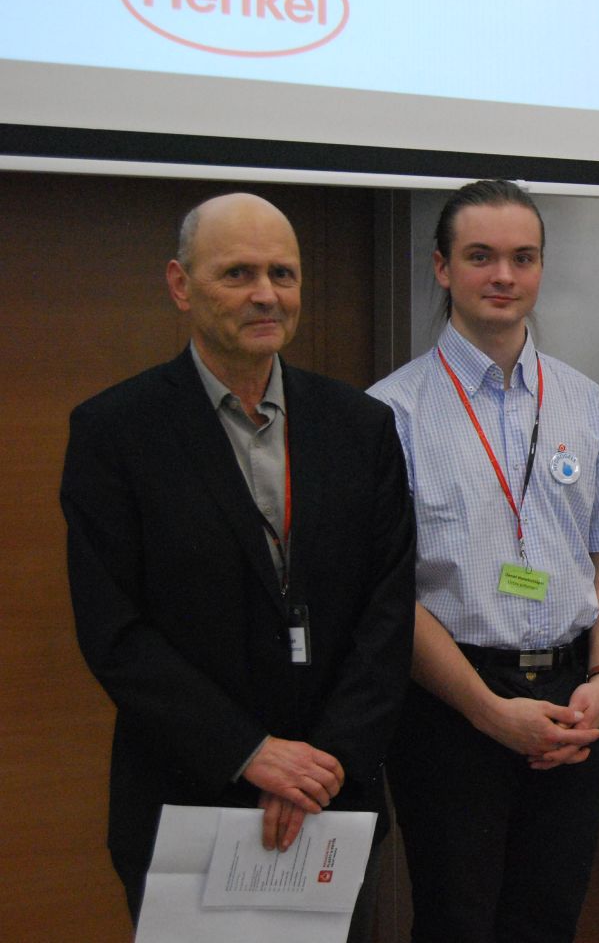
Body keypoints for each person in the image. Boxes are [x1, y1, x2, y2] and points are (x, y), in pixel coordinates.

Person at [60, 192, 416, 930]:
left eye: (282, 273)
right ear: (180, 284)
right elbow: (114, 632)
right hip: (189, 798)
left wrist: (323, 761)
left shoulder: (361, 427)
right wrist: (249, 752)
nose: (266, 294)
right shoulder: (115, 433)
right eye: (238, 273)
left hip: (331, 799)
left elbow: (387, 611)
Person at [368, 179, 599, 942]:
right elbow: (387, 593)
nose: (503, 275)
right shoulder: (388, 414)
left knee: (548, 919)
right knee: (457, 922)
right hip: (450, 709)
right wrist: (487, 710)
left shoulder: (583, 402)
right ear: (442, 268)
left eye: (522, 257)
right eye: (480, 257)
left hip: (572, 700)